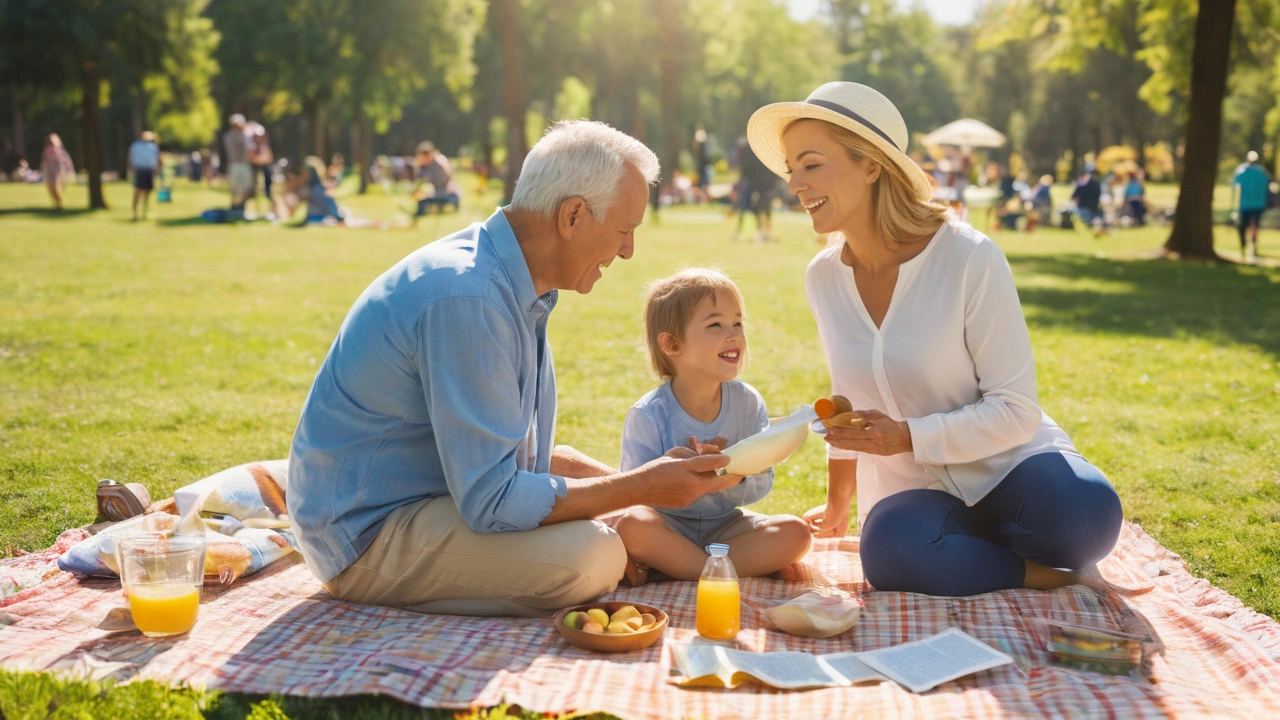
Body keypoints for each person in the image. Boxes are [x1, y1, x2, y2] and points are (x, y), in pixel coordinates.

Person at [288, 120, 736, 617]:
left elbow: (524, 460)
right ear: (572, 215)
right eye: (624, 230)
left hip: (424, 501)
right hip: (363, 538)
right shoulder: (469, 297)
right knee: (596, 554)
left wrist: (651, 494)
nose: (628, 251)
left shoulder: (510, 283)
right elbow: (494, 500)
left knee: (610, 529)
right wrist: (642, 488)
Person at [746, 82, 1123, 597]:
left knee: (1084, 515)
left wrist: (906, 435)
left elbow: (1017, 409)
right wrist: (838, 507)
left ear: (872, 165)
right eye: (792, 170)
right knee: (891, 551)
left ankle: (980, 551)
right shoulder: (823, 277)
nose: (795, 184)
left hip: (1009, 466)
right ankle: (1036, 573)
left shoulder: (969, 257)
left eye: (811, 165)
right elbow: (844, 405)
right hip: (914, 491)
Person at [611, 269, 811, 587]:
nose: (733, 335)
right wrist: (685, 474)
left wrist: (733, 472)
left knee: (796, 533)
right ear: (672, 344)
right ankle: (714, 569)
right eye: (715, 324)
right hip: (669, 527)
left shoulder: (747, 402)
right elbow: (635, 496)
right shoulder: (648, 415)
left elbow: (764, 482)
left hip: (727, 527)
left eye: (738, 323)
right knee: (633, 525)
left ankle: (691, 569)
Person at [1233, 151, 1271, 259]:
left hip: (1244, 204)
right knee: (1254, 226)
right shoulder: (1261, 172)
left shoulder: (1241, 171)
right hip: (1259, 203)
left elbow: (1235, 184)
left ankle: (1244, 245)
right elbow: (1268, 183)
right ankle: (1253, 246)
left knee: (1244, 225)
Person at [410, 141, 461, 217]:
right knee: (422, 196)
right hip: (437, 192)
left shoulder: (438, 162)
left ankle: (420, 213)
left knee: (424, 199)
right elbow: (419, 180)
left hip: (447, 192)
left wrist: (428, 192)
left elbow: (443, 181)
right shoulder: (425, 166)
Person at [223, 114, 254, 212]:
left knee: (247, 187)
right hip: (236, 164)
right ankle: (235, 206)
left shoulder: (246, 134)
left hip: (244, 164)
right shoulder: (230, 136)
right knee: (236, 188)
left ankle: (241, 206)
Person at [128, 130, 160, 221]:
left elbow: (156, 159)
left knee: (148, 191)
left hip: (149, 171)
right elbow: (131, 157)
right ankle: (134, 212)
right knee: (137, 191)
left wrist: (156, 169)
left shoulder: (153, 147)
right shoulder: (136, 146)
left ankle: (144, 211)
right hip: (140, 170)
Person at [1070, 162, 1105, 237]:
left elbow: (1075, 194)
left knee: (1089, 222)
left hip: (1084, 207)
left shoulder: (1083, 181)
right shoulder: (1097, 182)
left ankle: (1097, 229)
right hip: (1091, 206)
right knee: (1093, 221)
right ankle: (1098, 229)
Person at [40, 133, 74, 210]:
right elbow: (44, 161)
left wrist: (70, 170)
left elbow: (67, 161)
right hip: (49, 170)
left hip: (57, 170)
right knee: (50, 187)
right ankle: (56, 203)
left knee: (56, 187)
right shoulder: (47, 150)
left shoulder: (59, 150)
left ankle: (59, 203)